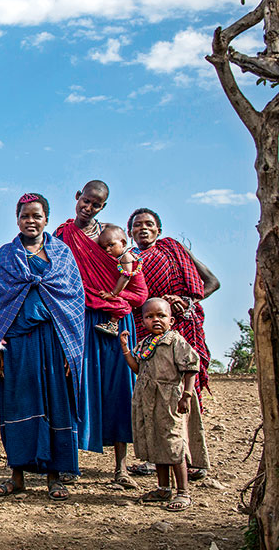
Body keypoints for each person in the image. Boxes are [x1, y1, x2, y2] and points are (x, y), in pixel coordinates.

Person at [0, 193, 84, 501]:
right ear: (17, 220)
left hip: (54, 342)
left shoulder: (63, 255)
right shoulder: (6, 256)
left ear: (46, 220)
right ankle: (17, 476)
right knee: (18, 406)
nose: (31, 220)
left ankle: (55, 477)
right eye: (25, 215)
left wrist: (71, 350)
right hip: (17, 345)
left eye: (37, 216)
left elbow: (74, 302)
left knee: (56, 406)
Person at [54, 181, 147, 489]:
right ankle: (69, 462)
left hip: (117, 321)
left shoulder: (115, 239)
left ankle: (120, 467)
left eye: (96, 204)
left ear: (102, 207)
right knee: (76, 386)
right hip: (80, 320)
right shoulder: (62, 237)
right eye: (86, 200)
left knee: (120, 388)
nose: (88, 207)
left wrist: (117, 301)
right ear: (76, 196)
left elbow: (137, 287)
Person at [127, 207, 218, 480]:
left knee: (187, 396)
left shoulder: (175, 253)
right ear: (130, 232)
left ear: (159, 229)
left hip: (182, 332)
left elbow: (211, 283)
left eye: (149, 224)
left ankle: (195, 460)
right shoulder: (129, 261)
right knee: (153, 399)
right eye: (137, 225)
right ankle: (158, 460)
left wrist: (186, 302)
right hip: (146, 337)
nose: (143, 228)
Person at [119, 297, 209, 512]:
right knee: (157, 442)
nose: (155, 320)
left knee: (173, 443)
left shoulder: (176, 342)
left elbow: (191, 367)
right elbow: (138, 368)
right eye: (149, 317)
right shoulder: (145, 344)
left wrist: (186, 395)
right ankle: (163, 488)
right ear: (142, 321)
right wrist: (125, 349)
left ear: (171, 320)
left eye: (161, 316)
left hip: (170, 399)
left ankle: (183, 492)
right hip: (149, 400)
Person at [95, 224, 142, 336]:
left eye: (111, 245)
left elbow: (126, 276)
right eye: (104, 248)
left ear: (123, 243)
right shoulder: (120, 258)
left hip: (138, 294)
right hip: (132, 291)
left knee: (118, 300)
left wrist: (112, 293)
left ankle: (113, 324)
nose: (108, 250)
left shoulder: (126, 257)